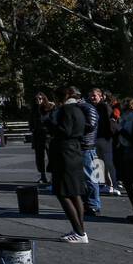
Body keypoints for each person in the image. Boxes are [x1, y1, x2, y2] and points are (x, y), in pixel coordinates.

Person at [45, 88, 90, 242]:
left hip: (65, 153)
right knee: (74, 193)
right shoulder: (78, 109)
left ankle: (79, 231)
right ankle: (79, 230)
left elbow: (64, 130)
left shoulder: (66, 110)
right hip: (74, 151)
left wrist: (50, 123)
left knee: (63, 192)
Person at [91, 89, 121, 197]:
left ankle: (114, 186)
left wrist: (109, 135)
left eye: (94, 96)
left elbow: (110, 123)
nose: (92, 97)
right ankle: (102, 184)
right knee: (98, 161)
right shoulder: (93, 107)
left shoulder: (104, 106)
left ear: (101, 96)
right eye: (91, 96)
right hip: (96, 137)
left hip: (104, 138)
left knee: (107, 162)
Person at [78, 90, 102, 217]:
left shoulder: (86, 107)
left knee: (91, 177)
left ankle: (93, 205)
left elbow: (91, 125)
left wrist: (75, 126)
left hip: (87, 146)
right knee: (87, 177)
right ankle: (89, 204)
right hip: (84, 145)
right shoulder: (83, 107)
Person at [31, 93, 52, 185]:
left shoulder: (49, 108)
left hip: (48, 136)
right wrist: (32, 128)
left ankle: (52, 176)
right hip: (38, 135)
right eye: (36, 99)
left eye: (40, 99)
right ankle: (43, 175)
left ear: (44, 99)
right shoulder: (34, 110)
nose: (38, 101)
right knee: (40, 157)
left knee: (51, 156)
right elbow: (31, 121)